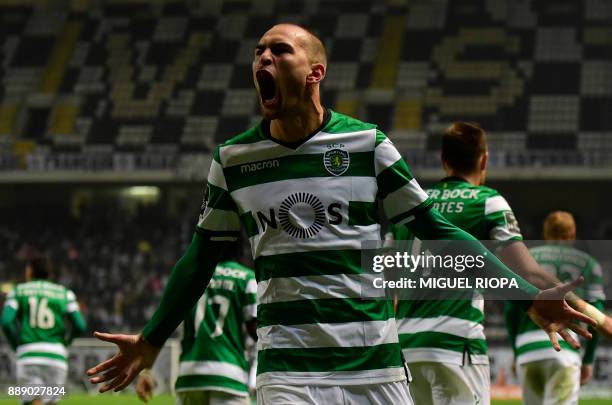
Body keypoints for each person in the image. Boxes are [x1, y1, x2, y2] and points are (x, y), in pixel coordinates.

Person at [86, 24, 594, 405]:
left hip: (375, 367)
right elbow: (200, 258)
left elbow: (435, 229)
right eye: (258, 51)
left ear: (315, 72)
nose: (263, 56)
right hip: (288, 372)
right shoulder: (233, 160)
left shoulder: (366, 144)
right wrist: (151, 340)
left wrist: (526, 296)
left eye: (279, 50)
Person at [388, 122, 611, 405]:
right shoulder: (487, 201)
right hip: (457, 342)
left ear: (444, 161)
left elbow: (384, 279)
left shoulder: (411, 206)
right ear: (484, 159)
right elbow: (528, 270)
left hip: (406, 346)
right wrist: (597, 316)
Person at [136, 239, 257, 405]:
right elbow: (257, 329)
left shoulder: (191, 277)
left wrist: (146, 370)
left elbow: (163, 323)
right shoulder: (247, 279)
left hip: (189, 375)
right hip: (229, 375)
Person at [505, 211, 606, 405]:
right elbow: (595, 315)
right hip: (565, 350)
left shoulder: (526, 260)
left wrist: (516, 351)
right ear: (573, 233)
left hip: (527, 350)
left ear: (545, 233)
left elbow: (511, 310)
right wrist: (588, 360)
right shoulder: (589, 264)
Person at [1, 255, 87, 405]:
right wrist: (65, 343)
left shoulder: (18, 291)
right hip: (56, 357)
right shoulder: (65, 294)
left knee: (33, 401)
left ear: (30, 271)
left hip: (29, 355)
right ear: (49, 273)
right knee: (50, 402)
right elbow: (80, 325)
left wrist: (17, 345)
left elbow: (7, 322)